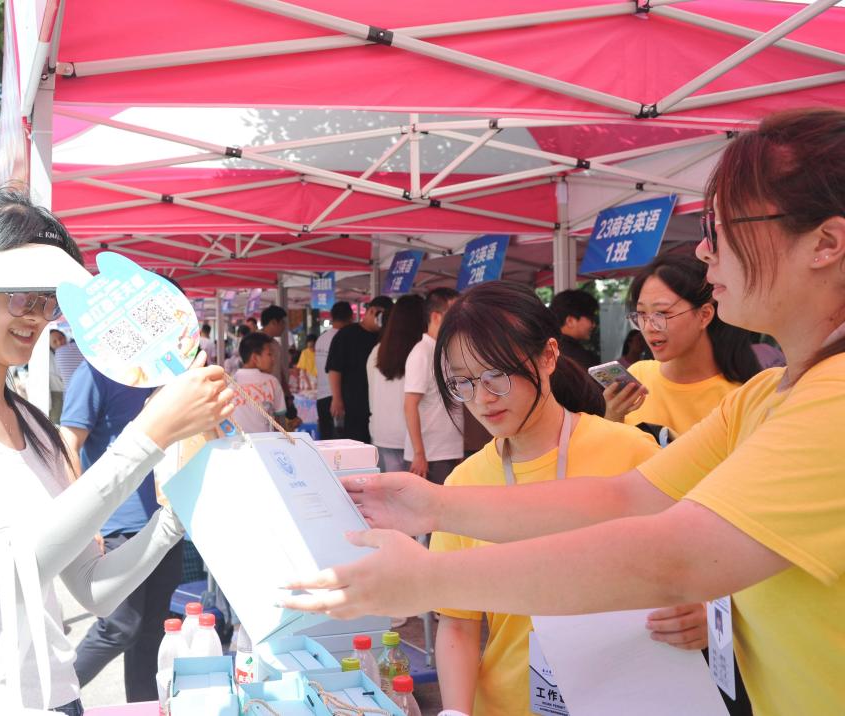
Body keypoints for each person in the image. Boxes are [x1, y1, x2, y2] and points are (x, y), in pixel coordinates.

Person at [283, 108, 845, 716]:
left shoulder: (834, 400)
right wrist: (436, 506)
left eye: (723, 225)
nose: (705, 249)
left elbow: (675, 556)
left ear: (827, 244)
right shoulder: (766, 393)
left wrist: (429, 578)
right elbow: (628, 497)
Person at [0, 187, 233, 716]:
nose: (37, 317)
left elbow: (93, 587)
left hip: (61, 698)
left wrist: (175, 516)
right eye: (21, 296)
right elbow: (9, 570)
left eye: (49, 300)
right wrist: (147, 437)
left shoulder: (34, 426)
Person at [425, 282, 663, 716]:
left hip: (621, 698)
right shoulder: (463, 485)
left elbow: (687, 571)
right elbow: (458, 622)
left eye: (496, 376)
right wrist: (456, 712)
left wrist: (698, 615)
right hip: (505, 704)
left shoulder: (631, 454)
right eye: (464, 382)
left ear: (548, 356)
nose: (482, 399)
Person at [60, 360, 185, 703]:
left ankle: (143, 706)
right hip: (117, 523)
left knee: (152, 630)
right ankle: (49, 697)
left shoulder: (167, 371)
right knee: (119, 627)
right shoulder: (95, 373)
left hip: (166, 519)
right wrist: (85, 521)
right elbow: (67, 443)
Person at [604, 251, 761, 436]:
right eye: (641, 314)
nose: (649, 327)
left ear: (704, 315)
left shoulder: (740, 399)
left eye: (662, 313)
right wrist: (613, 416)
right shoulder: (637, 378)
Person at [403, 288, 463, 484]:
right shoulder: (421, 353)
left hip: (447, 450)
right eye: (454, 313)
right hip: (431, 455)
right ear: (436, 317)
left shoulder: (444, 349)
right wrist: (419, 453)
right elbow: (410, 405)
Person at [367, 295, 425, 473]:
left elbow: (372, 394)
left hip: (381, 432)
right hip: (413, 438)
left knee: (389, 489)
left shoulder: (377, 350)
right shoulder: (420, 352)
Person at [327, 296, 393, 443]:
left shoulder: (385, 337)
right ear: (371, 311)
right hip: (352, 403)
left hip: (378, 404)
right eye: (382, 315)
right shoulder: (346, 334)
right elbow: (334, 369)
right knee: (355, 443)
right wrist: (336, 399)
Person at [231, 332, 287, 433]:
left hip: (236, 441)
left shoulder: (229, 382)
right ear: (255, 358)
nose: (273, 359)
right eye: (269, 354)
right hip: (265, 441)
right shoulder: (271, 382)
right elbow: (277, 423)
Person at [315, 301, 353, 439]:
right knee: (341, 442)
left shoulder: (321, 338)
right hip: (337, 398)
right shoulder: (345, 338)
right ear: (351, 317)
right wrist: (338, 399)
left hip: (321, 396)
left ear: (331, 316)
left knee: (327, 441)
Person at [260, 305, 297, 422]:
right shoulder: (255, 342)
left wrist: (287, 394)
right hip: (261, 397)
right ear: (273, 322)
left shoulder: (275, 344)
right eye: (282, 323)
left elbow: (279, 371)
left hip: (275, 395)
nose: (284, 326)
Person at [548, 289, 599, 370]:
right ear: (570, 321)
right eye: (591, 319)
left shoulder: (546, 349)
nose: (593, 325)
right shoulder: (578, 357)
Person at [49, 329, 67, 424]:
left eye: (60, 338)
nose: (59, 342)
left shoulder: (74, 351)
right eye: (54, 341)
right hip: (56, 397)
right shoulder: (46, 357)